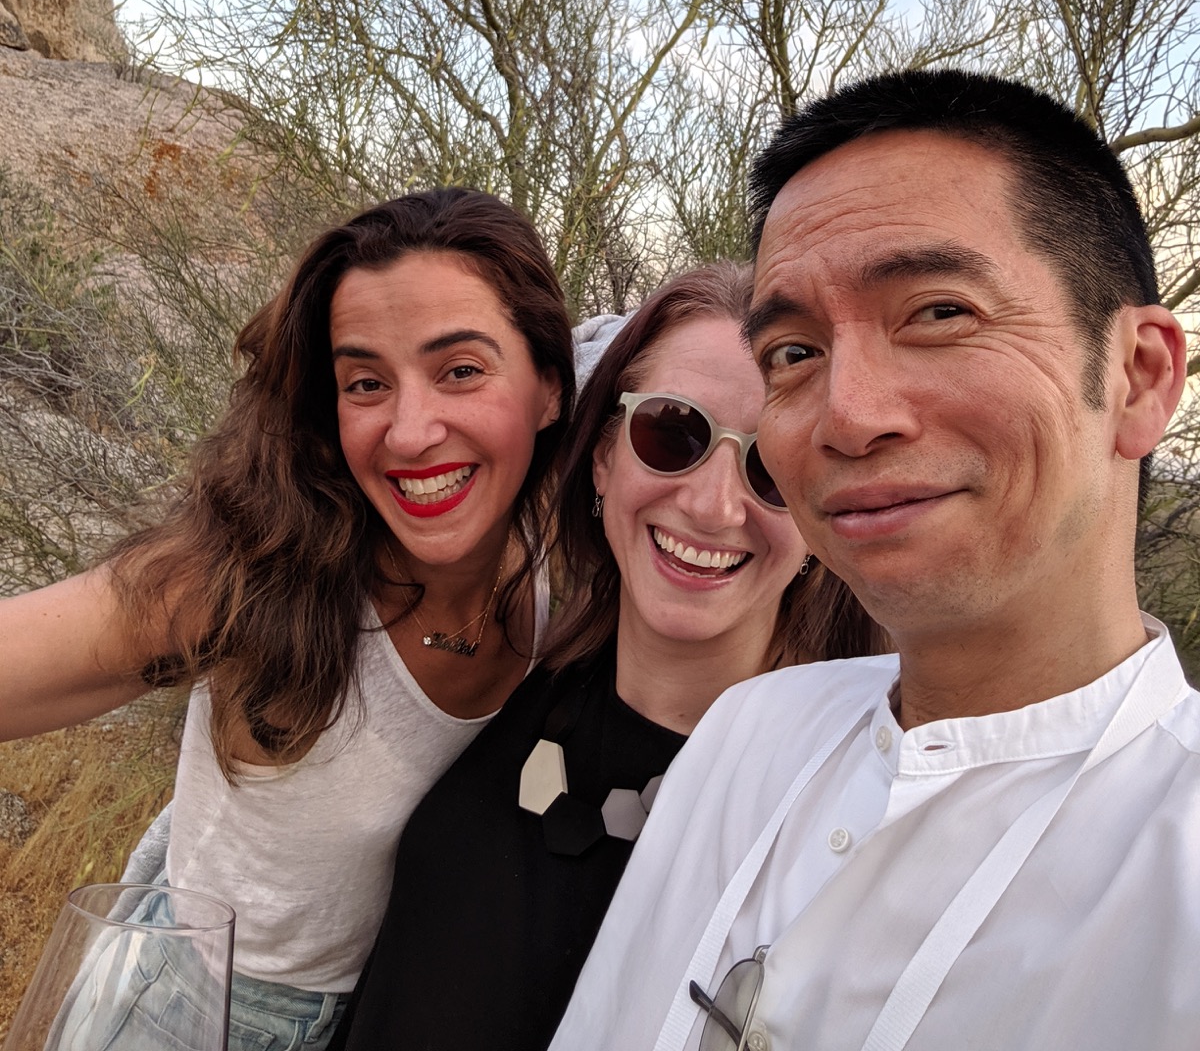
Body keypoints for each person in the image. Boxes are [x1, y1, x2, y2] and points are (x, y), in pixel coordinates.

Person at [550, 68, 1200, 1051]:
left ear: (1139, 377)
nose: (847, 416)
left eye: (938, 312)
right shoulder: (748, 738)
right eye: (794, 353)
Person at [0, 188, 573, 1051]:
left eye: (461, 370)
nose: (411, 432)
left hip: (385, 1009)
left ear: (551, 390)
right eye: (366, 383)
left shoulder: (569, 560)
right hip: (188, 1008)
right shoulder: (263, 566)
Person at [329, 263, 887, 1051]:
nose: (713, 504)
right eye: (673, 433)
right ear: (602, 457)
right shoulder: (508, 667)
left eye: (771, 468)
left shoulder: (830, 812)